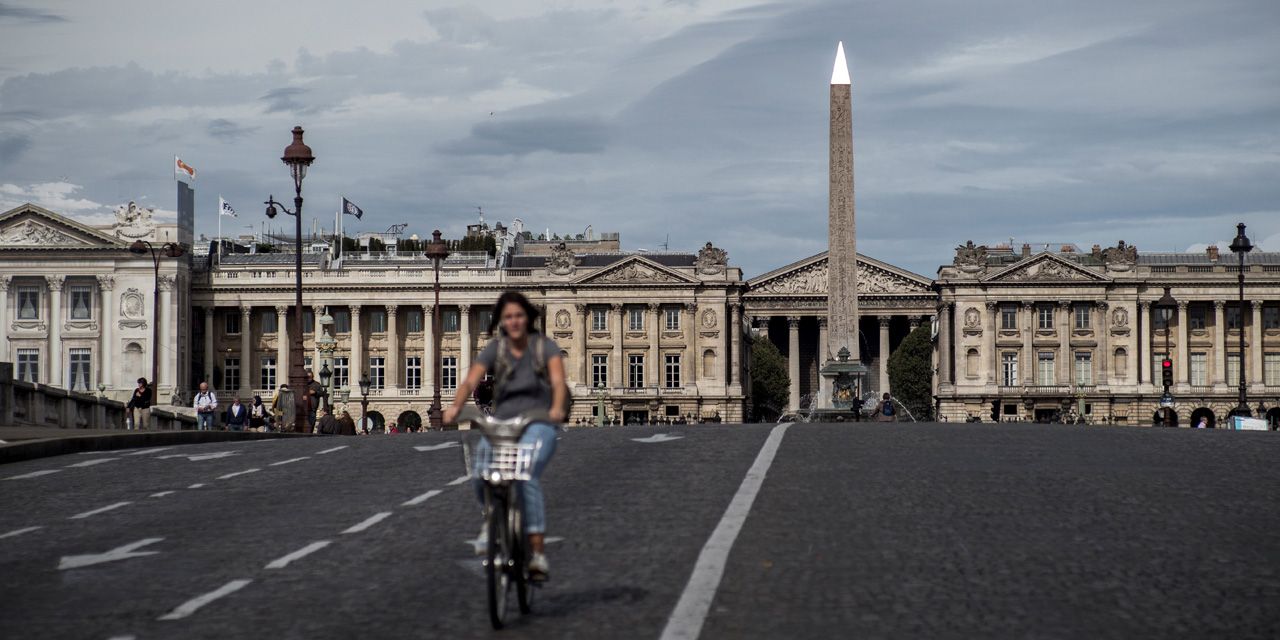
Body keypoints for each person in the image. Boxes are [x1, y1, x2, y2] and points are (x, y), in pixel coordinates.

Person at [445, 291, 568, 582]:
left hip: (538, 420)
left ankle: (536, 552)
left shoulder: (545, 347)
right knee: (480, 471)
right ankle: (491, 520)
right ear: (501, 321)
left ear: (528, 318)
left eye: (518, 315)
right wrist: (455, 407)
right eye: (508, 317)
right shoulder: (496, 349)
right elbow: (470, 381)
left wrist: (556, 410)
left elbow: (558, 382)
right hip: (504, 422)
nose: (514, 321)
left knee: (525, 476)